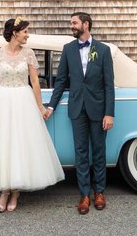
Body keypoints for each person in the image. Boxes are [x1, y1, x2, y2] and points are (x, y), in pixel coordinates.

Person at [0, 17, 63, 212]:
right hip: (3, 100)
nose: (27, 35)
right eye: (25, 31)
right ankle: (4, 190)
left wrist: (40, 108)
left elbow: (35, 82)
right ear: (15, 33)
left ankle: (15, 191)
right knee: (4, 143)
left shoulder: (28, 53)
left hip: (23, 100)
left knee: (20, 144)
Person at [44, 11, 115, 215]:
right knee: (81, 152)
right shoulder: (68, 49)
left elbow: (109, 85)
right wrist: (51, 106)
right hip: (77, 109)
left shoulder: (103, 50)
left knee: (99, 152)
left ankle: (99, 192)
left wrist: (109, 113)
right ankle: (84, 194)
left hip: (99, 109)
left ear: (86, 24)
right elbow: (61, 81)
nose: (72, 26)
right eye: (71, 23)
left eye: (74, 23)